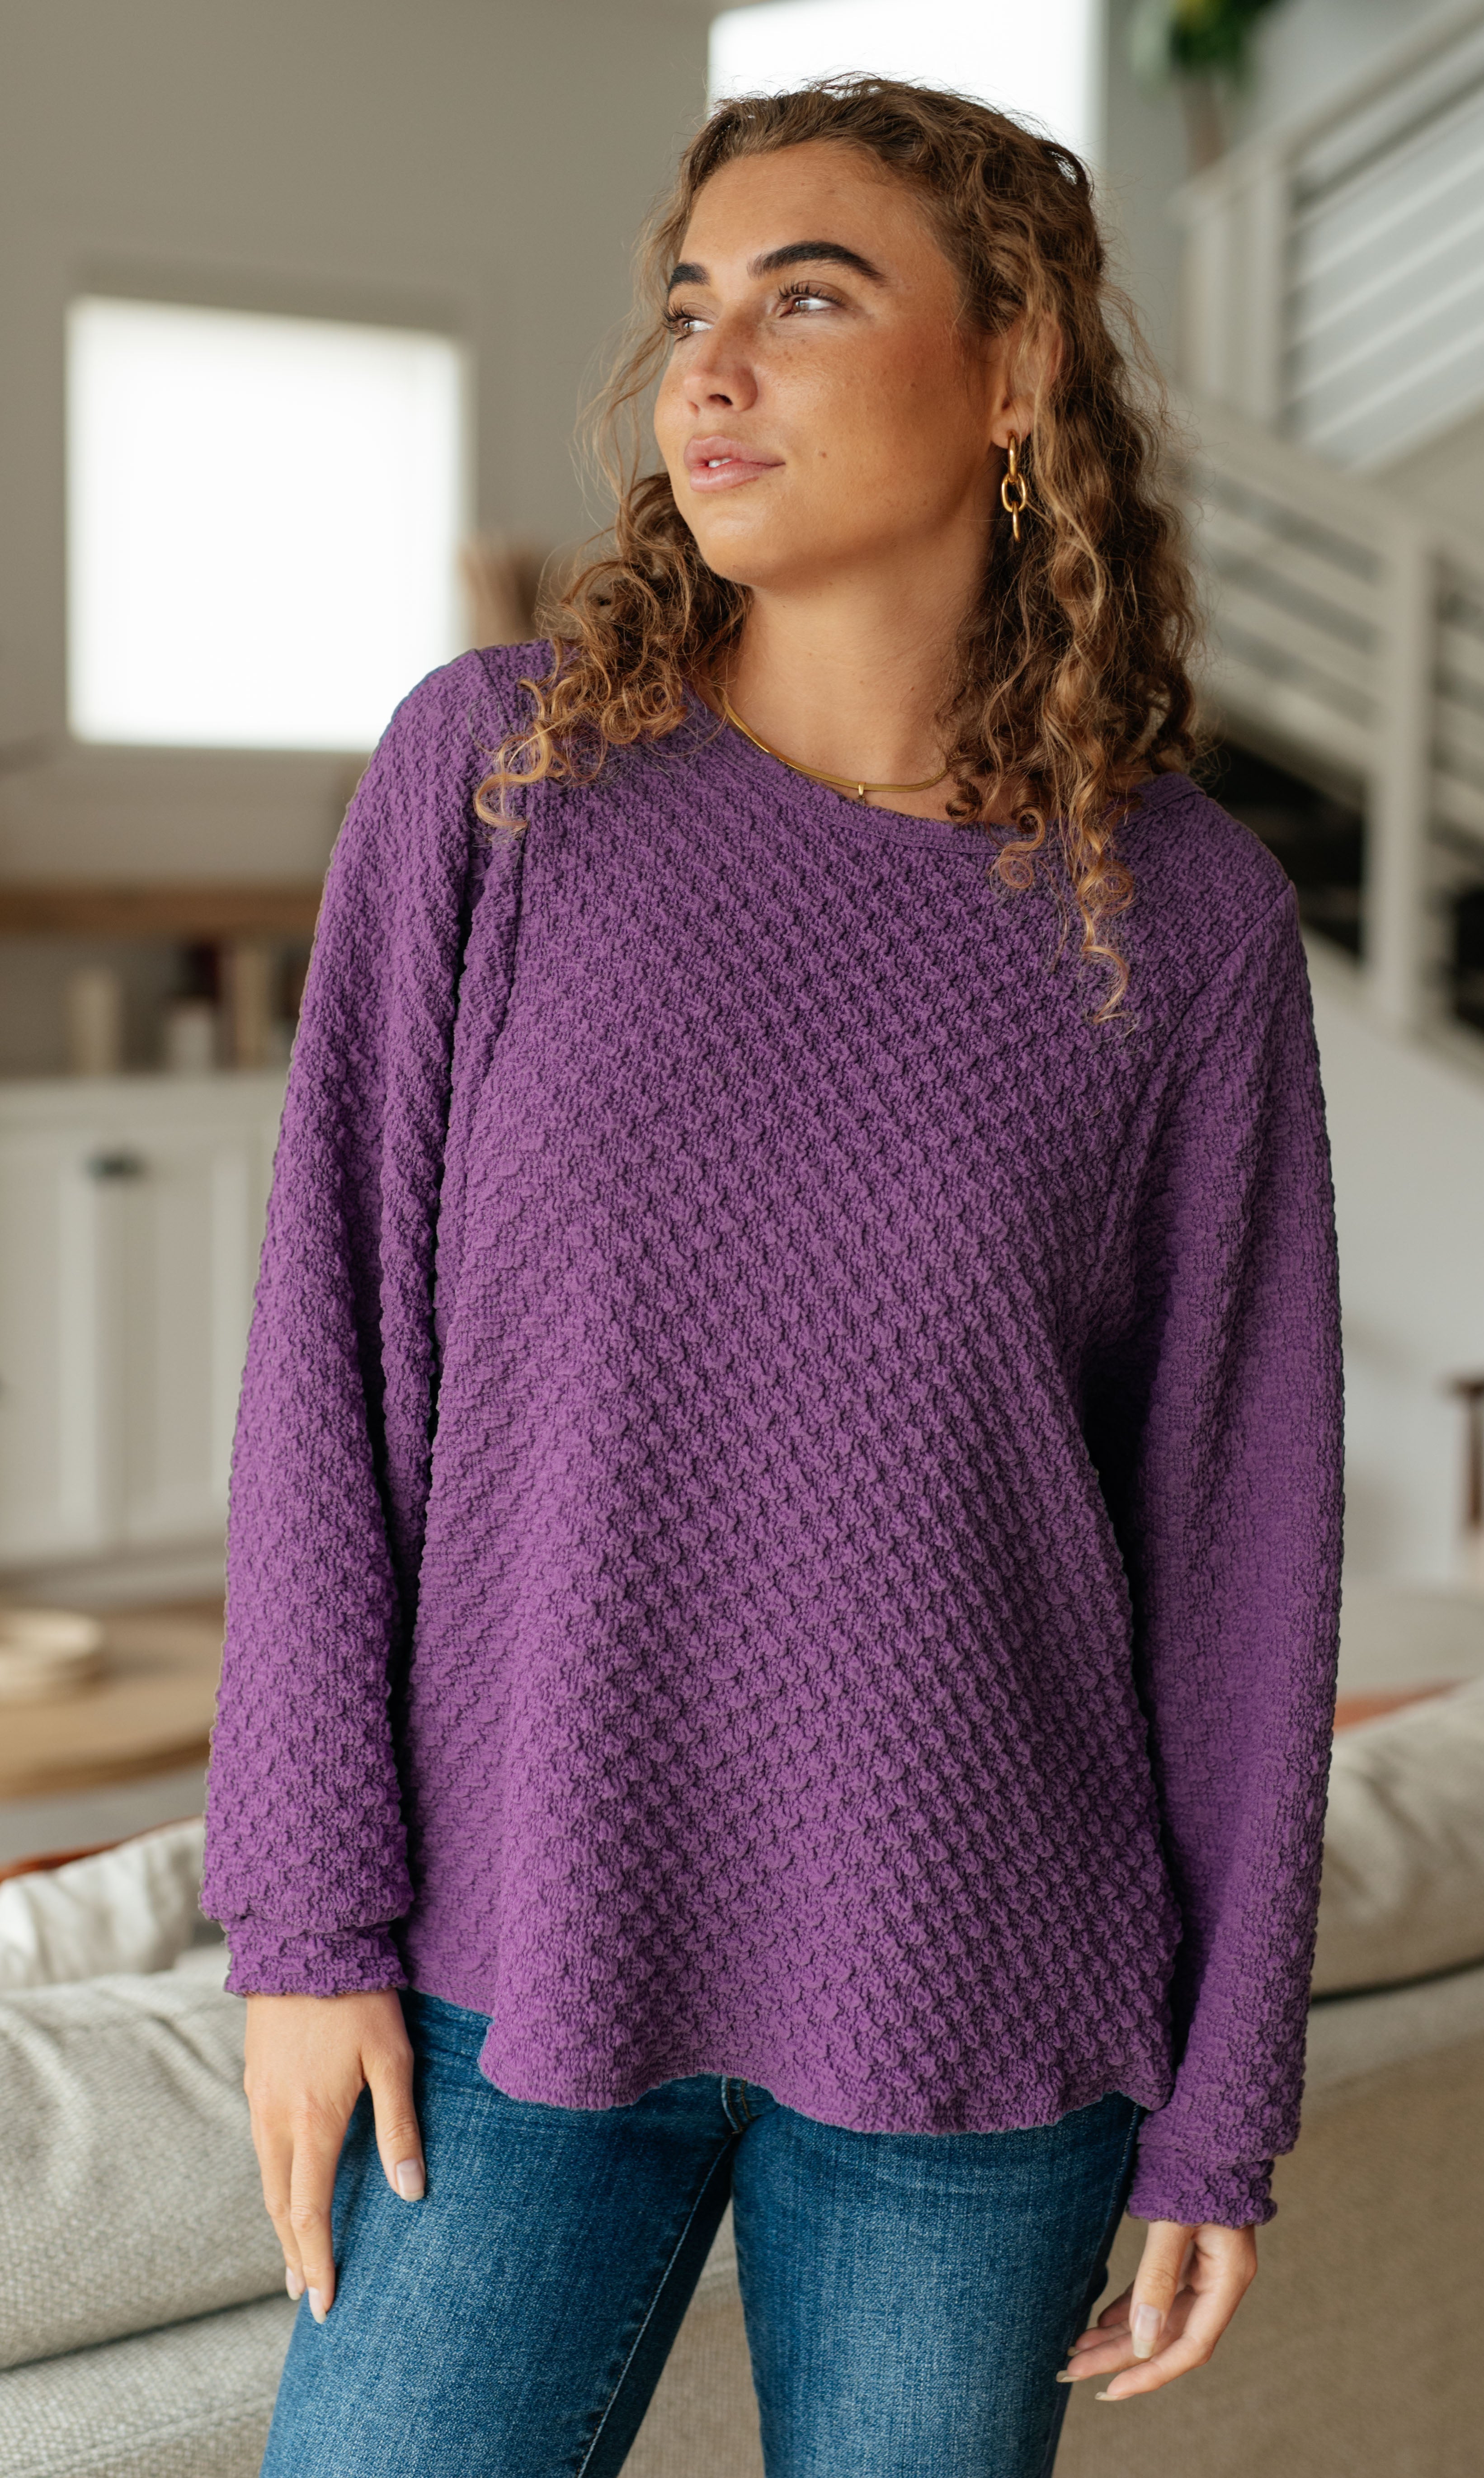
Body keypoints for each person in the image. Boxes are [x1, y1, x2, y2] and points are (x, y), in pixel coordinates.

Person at [203, 75, 1343, 2478]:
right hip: (510, 1962)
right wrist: (306, 1928)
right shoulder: (501, 778)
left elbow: (1244, 1544)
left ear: (1015, 364)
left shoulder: (1187, 921)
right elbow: (326, 1366)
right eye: (692, 303)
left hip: (985, 2001)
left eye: (808, 300)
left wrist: (1224, 2100)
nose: (708, 368)